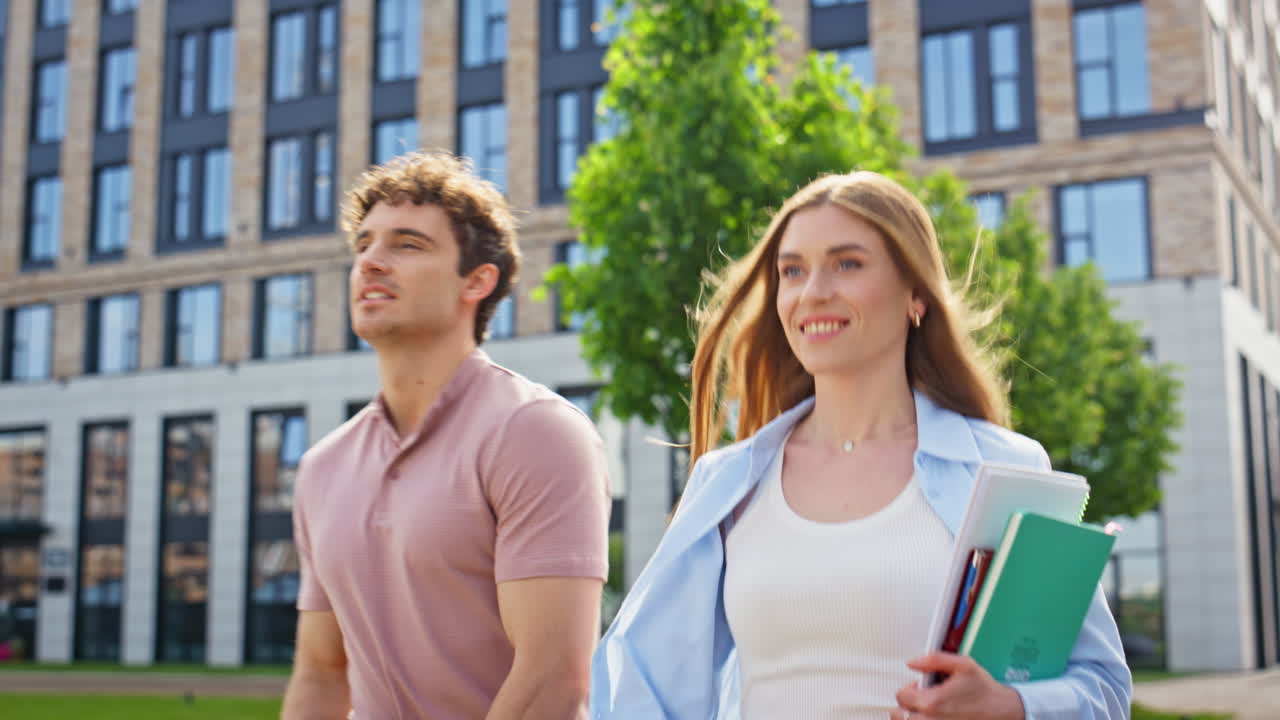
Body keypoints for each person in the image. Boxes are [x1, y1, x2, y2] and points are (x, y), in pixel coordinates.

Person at [590, 171, 1131, 720]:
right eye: (792, 271)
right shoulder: (727, 483)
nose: (812, 292)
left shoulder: (1006, 470)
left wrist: (1011, 706)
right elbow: (636, 687)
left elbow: (1103, 688)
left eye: (847, 263)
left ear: (915, 293)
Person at [282, 151, 611, 720]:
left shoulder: (537, 433)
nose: (372, 263)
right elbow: (320, 674)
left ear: (477, 281)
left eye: (407, 244)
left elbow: (552, 681)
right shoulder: (322, 467)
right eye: (364, 246)